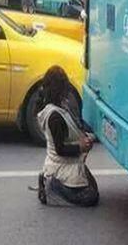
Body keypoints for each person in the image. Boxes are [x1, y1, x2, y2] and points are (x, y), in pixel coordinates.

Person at [37, 66, 99, 207]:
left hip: (65, 163)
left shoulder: (59, 107)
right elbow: (60, 149)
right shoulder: (54, 117)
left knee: (93, 189)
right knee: (91, 197)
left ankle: (49, 182)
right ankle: (52, 187)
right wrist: (80, 147)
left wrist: (85, 139)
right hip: (62, 166)